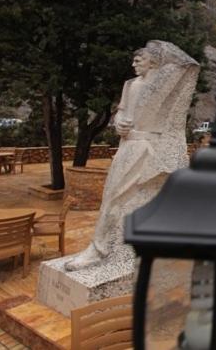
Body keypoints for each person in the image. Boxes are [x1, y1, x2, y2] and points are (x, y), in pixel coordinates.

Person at [64, 40, 199, 271]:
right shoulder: (130, 85)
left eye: (139, 60)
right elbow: (122, 112)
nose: (133, 63)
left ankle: (106, 248)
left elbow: (188, 63)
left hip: (150, 147)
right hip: (128, 146)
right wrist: (119, 124)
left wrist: (158, 46)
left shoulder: (165, 81)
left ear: (153, 61)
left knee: (126, 198)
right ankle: (101, 248)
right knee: (112, 196)